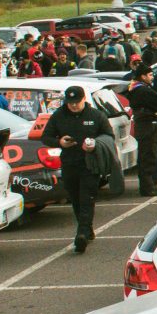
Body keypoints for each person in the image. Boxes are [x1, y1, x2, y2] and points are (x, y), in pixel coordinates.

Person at [39, 85, 114, 253]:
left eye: (77, 102)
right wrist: (59, 142)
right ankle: (87, 228)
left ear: (84, 99)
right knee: (75, 198)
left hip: (90, 163)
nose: (73, 105)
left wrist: (94, 144)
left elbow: (109, 135)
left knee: (87, 197)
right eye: (70, 102)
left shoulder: (96, 115)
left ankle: (81, 234)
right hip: (69, 162)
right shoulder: (59, 115)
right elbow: (46, 137)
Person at [125, 66, 157, 196]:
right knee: (148, 156)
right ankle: (147, 187)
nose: (152, 77)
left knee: (148, 155)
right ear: (143, 76)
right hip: (147, 124)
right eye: (150, 75)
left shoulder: (136, 88)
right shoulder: (142, 90)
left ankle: (149, 185)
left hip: (145, 124)